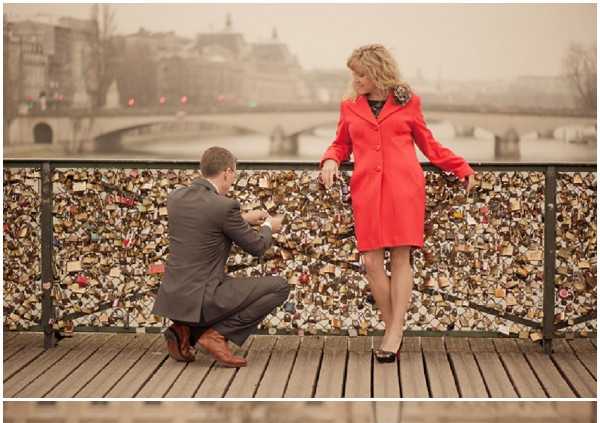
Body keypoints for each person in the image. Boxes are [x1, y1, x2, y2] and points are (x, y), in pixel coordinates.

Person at [320, 45, 476, 361]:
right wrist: (330, 161)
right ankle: (396, 326)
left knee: (401, 258)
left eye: (361, 73)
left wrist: (460, 166)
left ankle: (392, 333)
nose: (356, 79)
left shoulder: (409, 102)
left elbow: (429, 145)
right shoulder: (349, 106)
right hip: (367, 191)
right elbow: (341, 143)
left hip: (404, 189)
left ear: (378, 72)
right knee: (372, 262)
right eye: (354, 73)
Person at [153, 146, 289, 368]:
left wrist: (242, 219)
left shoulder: (176, 197)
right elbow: (257, 247)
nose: (233, 180)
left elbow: (205, 225)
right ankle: (215, 336)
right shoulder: (225, 206)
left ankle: (185, 329)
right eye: (234, 174)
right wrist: (267, 226)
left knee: (227, 287)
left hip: (174, 296)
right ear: (227, 172)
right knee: (279, 286)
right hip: (203, 297)